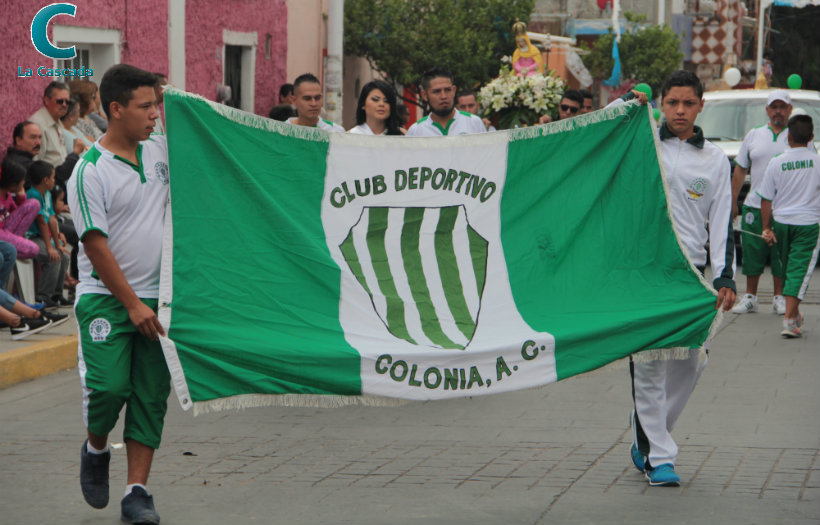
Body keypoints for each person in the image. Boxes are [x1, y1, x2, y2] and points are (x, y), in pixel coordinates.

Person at [68, 63, 171, 525]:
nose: (154, 115)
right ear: (115, 109)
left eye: (156, 105)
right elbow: (94, 243)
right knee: (110, 388)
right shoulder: (89, 171)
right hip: (106, 300)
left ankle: (137, 493)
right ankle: (95, 448)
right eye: (145, 107)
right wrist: (131, 304)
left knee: (150, 397)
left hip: (159, 299)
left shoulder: (161, 150)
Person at [629, 70, 736, 487]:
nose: (679, 111)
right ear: (661, 103)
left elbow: (722, 220)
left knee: (692, 360)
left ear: (700, 106)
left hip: (690, 273)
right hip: (645, 270)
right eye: (672, 102)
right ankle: (659, 456)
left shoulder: (715, 159)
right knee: (649, 363)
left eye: (688, 103)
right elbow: (598, 135)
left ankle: (648, 432)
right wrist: (625, 105)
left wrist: (725, 275)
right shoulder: (642, 142)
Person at [731, 90, 793, 315]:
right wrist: (733, 200)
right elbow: (740, 169)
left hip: (784, 208)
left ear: (790, 110)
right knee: (752, 251)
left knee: (780, 253)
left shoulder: (796, 137)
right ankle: (750, 297)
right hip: (754, 205)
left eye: (782, 107)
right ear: (767, 110)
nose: (778, 111)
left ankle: (779, 298)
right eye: (774, 107)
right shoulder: (754, 135)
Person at [758, 114, 820, 338]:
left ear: (788, 136)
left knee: (788, 269)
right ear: (811, 137)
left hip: (781, 223)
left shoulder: (776, 162)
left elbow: (766, 198)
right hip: (808, 224)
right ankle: (789, 321)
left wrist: (766, 227)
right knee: (798, 271)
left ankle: (794, 315)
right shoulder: (817, 161)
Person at [25, 160, 71, 307]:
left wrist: (57, 244)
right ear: (45, 180)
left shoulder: (47, 194)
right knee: (53, 258)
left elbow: (51, 219)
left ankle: (57, 294)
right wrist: (50, 248)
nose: (54, 180)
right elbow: (41, 223)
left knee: (63, 256)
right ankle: (43, 296)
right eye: (52, 177)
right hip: (31, 237)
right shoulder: (33, 195)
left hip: (43, 236)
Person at [405, 67, 486, 137]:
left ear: (454, 90)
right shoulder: (416, 131)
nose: (443, 96)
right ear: (425, 95)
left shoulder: (474, 122)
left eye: (447, 90)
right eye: (437, 91)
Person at [7, 121, 81, 186]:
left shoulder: (20, 159)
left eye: (40, 137)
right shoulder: (19, 164)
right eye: (33, 137)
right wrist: (75, 153)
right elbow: (57, 176)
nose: (38, 142)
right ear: (18, 140)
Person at [29, 81, 82, 167]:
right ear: (46, 100)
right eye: (60, 101)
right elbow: (36, 163)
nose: (64, 105)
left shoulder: (57, 120)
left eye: (67, 102)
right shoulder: (38, 125)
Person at [0, 157, 40, 259]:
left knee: (34, 204)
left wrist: (21, 198)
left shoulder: (8, 195)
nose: (24, 183)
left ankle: (15, 240)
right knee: (34, 249)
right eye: (22, 180)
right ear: (13, 185)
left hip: (5, 230)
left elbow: (18, 214)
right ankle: (12, 246)